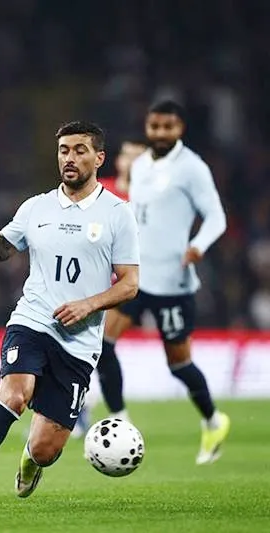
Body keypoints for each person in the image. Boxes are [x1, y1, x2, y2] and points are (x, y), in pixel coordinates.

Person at [0, 121, 140, 508]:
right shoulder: (36, 207)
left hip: (80, 343)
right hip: (31, 322)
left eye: (80, 150)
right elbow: (1, 249)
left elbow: (130, 284)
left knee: (46, 448)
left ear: (99, 158)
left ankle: (31, 461)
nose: (70, 158)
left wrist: (88, 304)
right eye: (64, 150)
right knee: (14, 396)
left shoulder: (119, 214)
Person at [98, 100, 230, 464]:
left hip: (173, 282)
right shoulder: (140, 166)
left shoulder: (192, 168)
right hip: (137, 279)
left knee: (178, 364)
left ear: (180, 129)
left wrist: (198, 246)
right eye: (154, 126)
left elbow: (216, 216)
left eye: (167, 127)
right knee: (103, 345)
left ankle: (213, 420)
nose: (159, 133)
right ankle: (121, 421)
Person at [71, 137, 146, 438]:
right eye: (128, 155)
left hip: (133, 283)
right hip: (98, 285)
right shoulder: (104, 192)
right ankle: (88, 412)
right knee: (97, 347)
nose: (131, 162)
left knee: (100, 346)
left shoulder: (153, 198)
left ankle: (106, 414)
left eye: (138, 156)